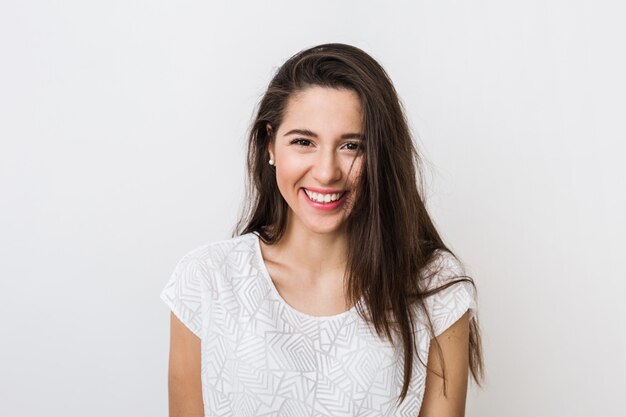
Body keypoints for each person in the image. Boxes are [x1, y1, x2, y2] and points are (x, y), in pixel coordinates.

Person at [160, 43, 483, 417]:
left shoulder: (436, 290)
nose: (327, 171)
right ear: (270, 145)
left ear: (379, 155)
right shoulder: (206, 282)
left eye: (351, 146)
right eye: (303, 142)